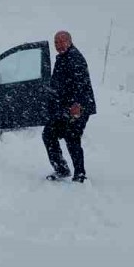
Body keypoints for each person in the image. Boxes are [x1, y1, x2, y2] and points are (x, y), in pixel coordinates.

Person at [43, 30, 97, 182]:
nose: (58, 45)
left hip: (78, 108)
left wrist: (77, 105)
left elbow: (82, 83)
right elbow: (59, 83)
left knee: (72, 137)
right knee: (49, 134)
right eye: (56, 42)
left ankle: (80, 174)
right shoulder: (63, 57)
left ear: (69, 41)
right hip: (65, 107)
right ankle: (62, 169)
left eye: (61, 42)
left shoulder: (74, 58)